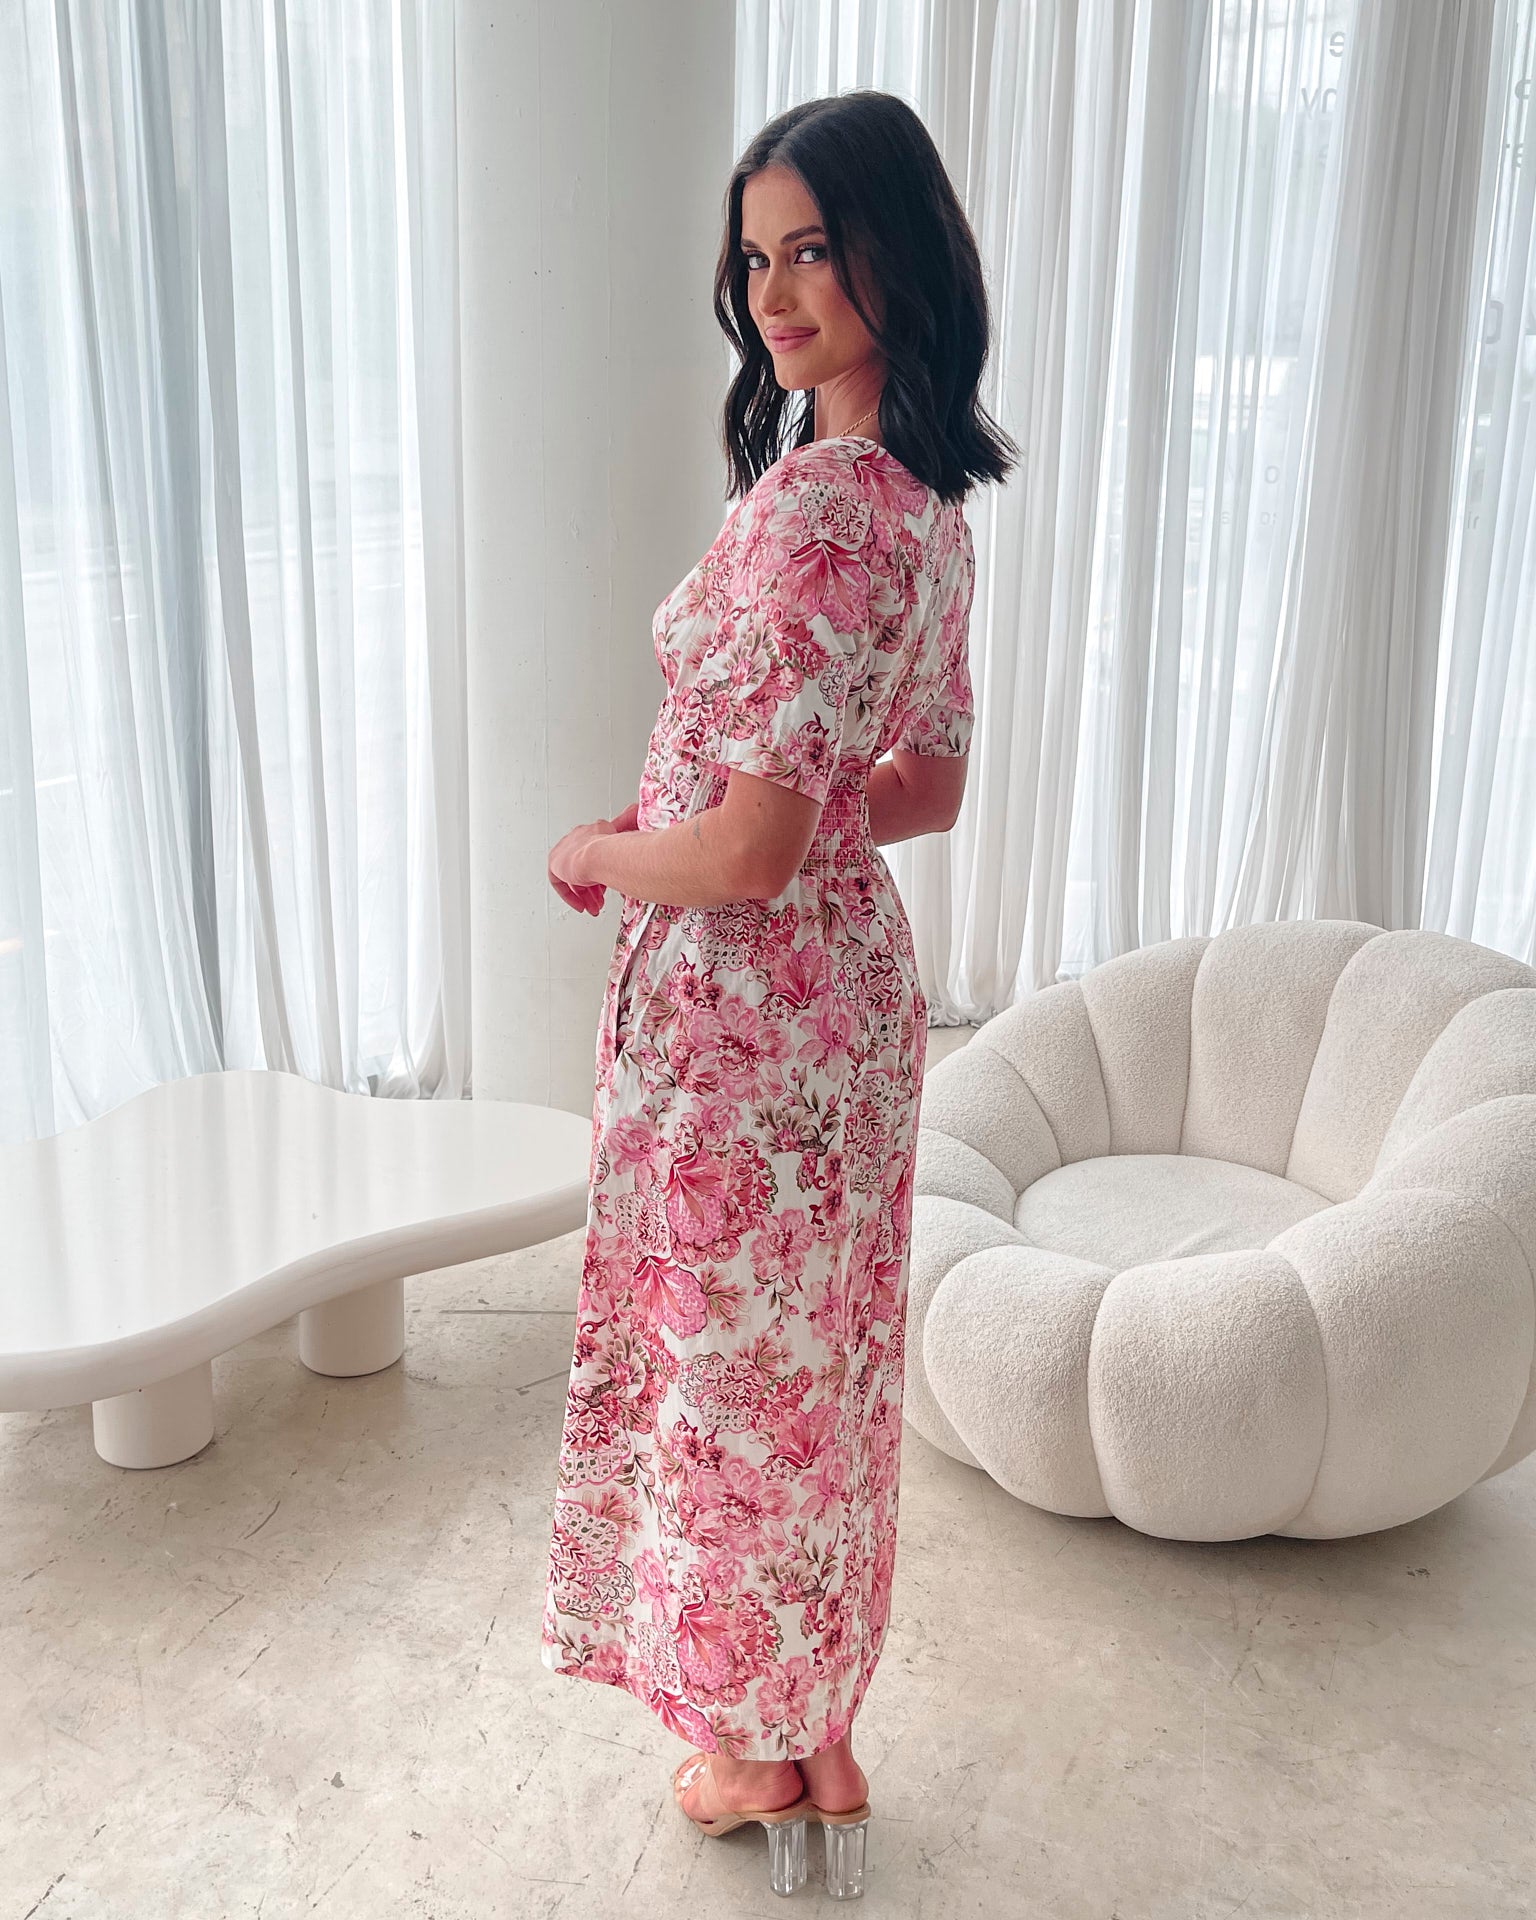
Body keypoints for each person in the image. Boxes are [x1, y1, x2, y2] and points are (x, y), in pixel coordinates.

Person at [540, 88, 1018, 1899]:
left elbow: (741, 851)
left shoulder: (819, 512)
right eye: (756, 259)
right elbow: (922, 792)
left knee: (727, 1388)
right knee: (817, 1378)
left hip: (741, 1028)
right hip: (849, 1017)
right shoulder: (926, 502)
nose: (776, 292)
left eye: (812, 246)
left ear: (900, 243)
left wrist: (599, 852)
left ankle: (748, 1749)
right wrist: (770, 830)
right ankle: (823, 1727)